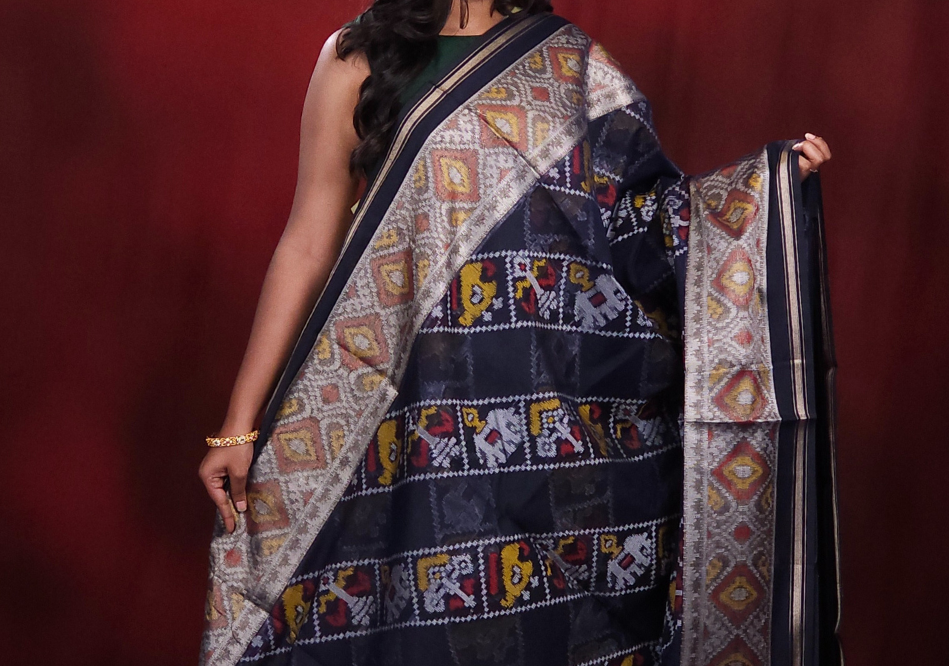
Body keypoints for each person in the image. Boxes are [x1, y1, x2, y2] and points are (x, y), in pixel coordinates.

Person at [197, 1, 840, 665]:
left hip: (545, 437)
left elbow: (644, 227)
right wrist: (239, 424)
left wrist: (764, 191)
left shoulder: (574, 66)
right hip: (398, 425)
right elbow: (308, 242)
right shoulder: (358, 57)